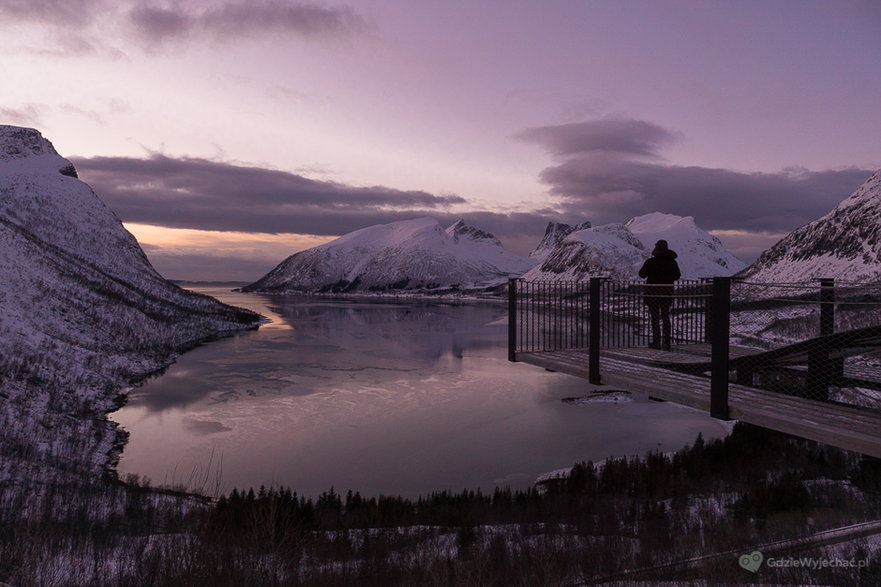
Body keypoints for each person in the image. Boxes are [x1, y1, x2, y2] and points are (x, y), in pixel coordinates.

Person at [638, 240, 681, 350]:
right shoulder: (672, 262)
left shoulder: (651, 262)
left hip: (653, 294)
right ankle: (667, 343)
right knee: (666, 317)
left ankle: (656, 342)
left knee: (655, 318)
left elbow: (642, 274)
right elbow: (677, 276)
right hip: (666, 293)